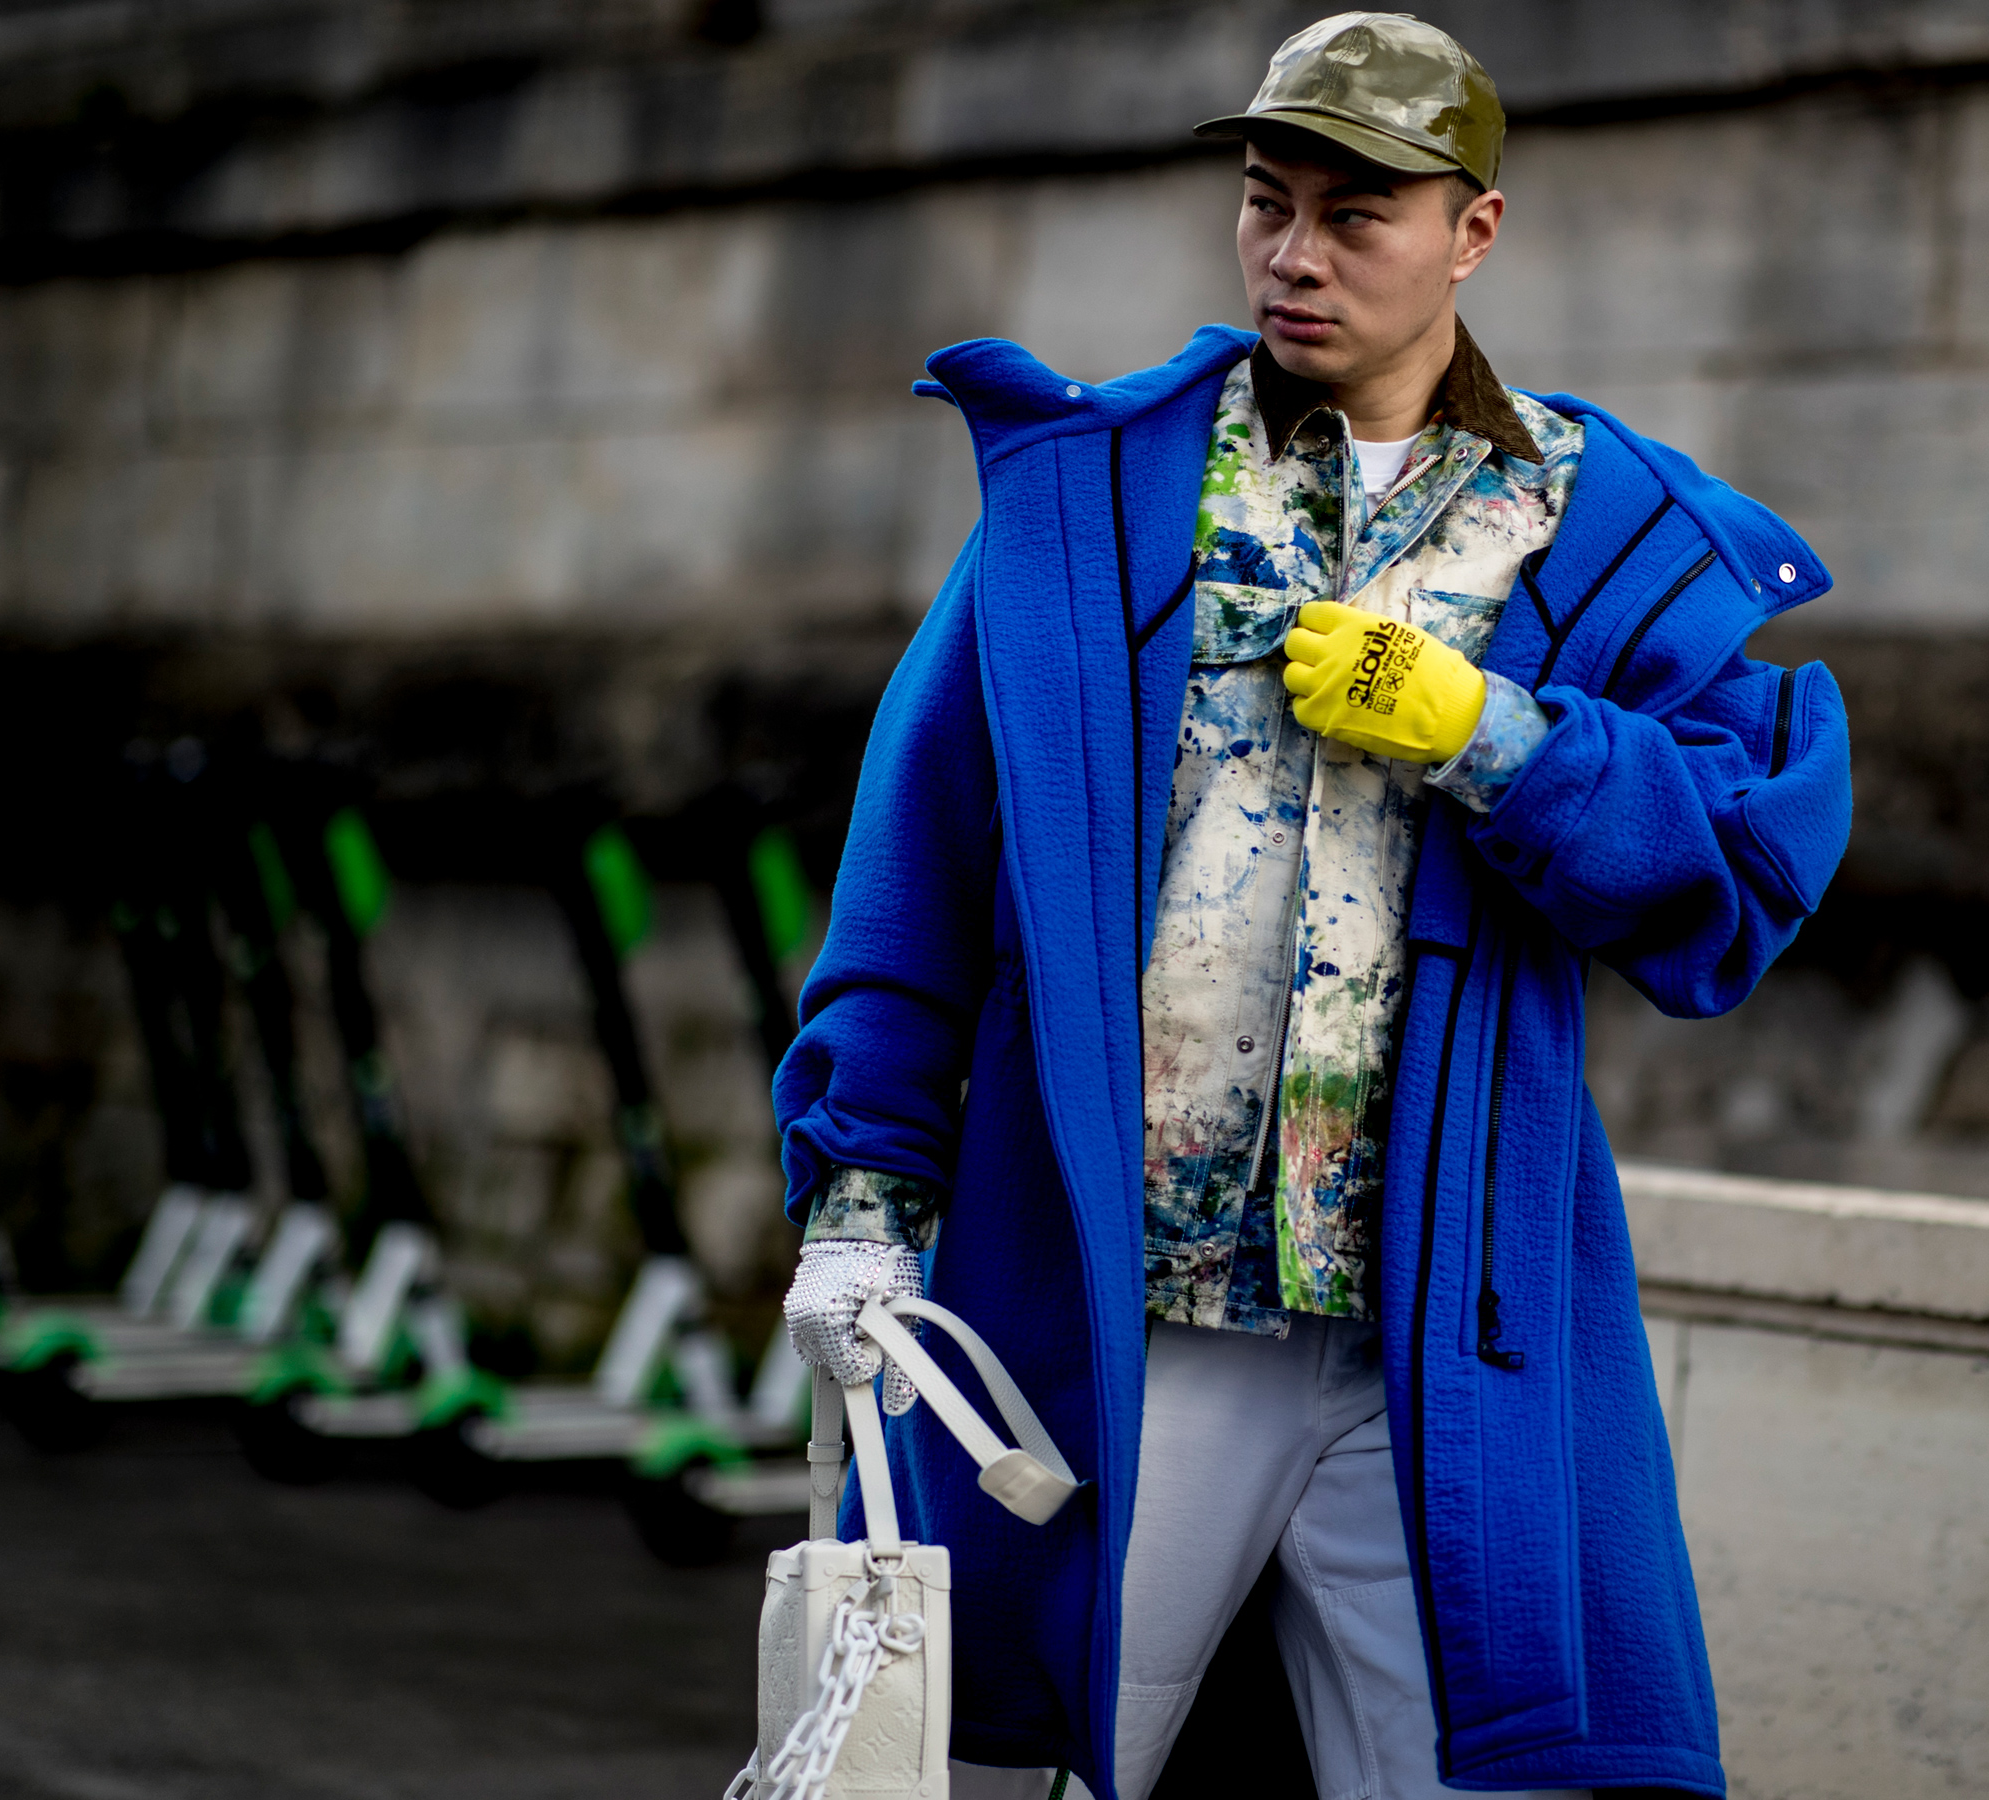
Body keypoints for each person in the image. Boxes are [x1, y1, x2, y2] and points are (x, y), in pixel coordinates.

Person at [774, 13, 1851, 1798]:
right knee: (1028, 1759)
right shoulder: (1098, 495)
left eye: (1357, 215)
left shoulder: (1595, 523)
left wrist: (1494, 737)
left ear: (1475, 233)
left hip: (1442, 1334)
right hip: (1143, 1316)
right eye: (1268, 202)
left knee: (1487, 1778)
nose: (1295, 253)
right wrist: (863, 1200)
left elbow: (1739, 877)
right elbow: (916, 866)